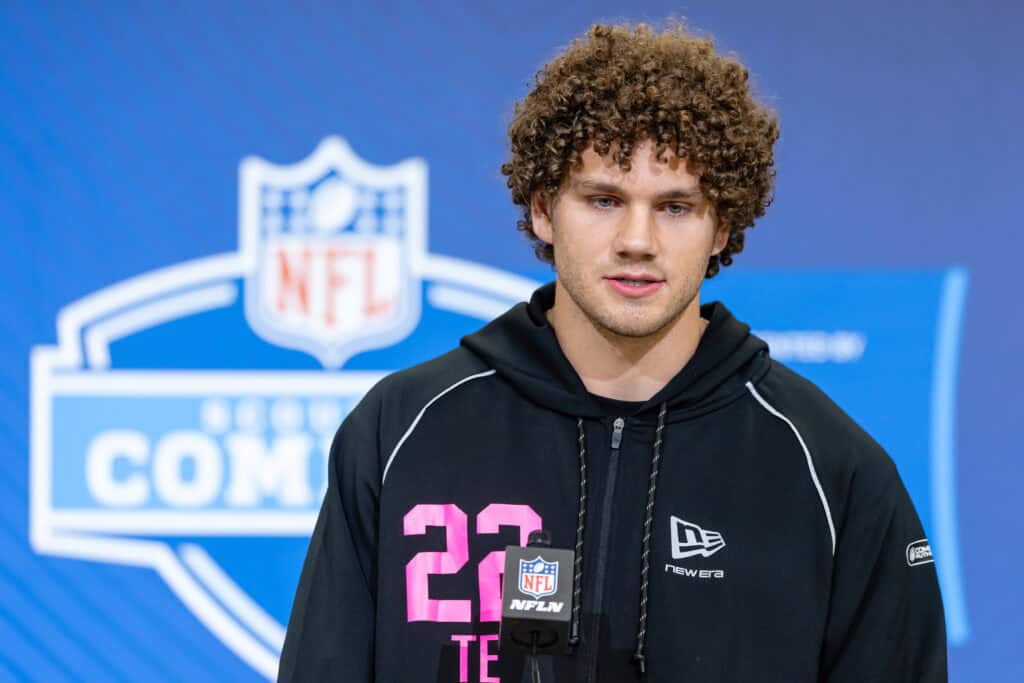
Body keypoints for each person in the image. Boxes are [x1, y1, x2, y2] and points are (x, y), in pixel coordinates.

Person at [278, 22, 947, 683]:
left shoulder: (831, 472)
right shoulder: (402, 430)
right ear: (544, 208)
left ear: (722, 225)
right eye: (603, 199)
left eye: (676, 207)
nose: (637, 239)